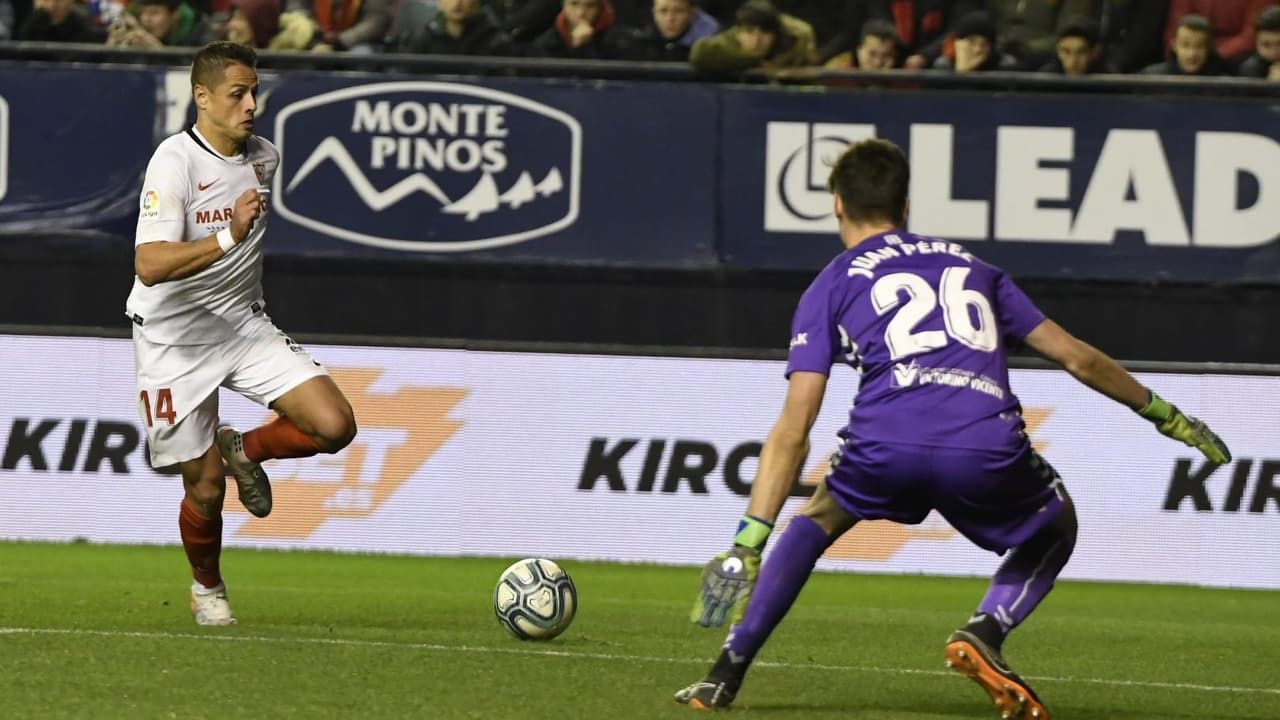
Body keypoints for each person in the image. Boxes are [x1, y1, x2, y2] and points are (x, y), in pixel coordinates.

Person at [674, 138, 1230, 718]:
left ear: (836, 205)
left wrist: (747, 542)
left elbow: (796, 424)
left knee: (816, 518)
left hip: (884, 444)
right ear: (906, 205)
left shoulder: (832, 282)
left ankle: (722, 677)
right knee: (1054, 523)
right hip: (983, 443)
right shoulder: (977, 269)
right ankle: (985, 630)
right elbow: (1076, 358)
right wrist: (1167, 416)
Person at [127, 41, 357, 627]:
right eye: (237, 93)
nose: (252, 104)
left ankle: (244, 450)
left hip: (241, 324)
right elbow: (149, 264)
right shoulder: (173, 161)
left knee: (335, 426)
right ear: (201, 98)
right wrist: (226, 237)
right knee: (205, 490)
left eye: (255, 91)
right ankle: (207, 590)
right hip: (174, 340)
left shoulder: (264, 157)